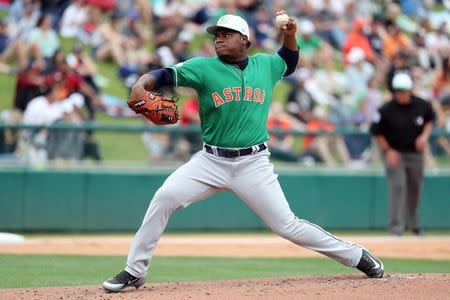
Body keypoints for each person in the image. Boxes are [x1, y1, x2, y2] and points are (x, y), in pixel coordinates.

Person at [103, 12, 384, 293]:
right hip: (210, 161)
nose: (219, 39)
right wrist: (141, 83)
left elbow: (289, 60)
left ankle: (356, 255)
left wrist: (289, 34)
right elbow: (165, 74)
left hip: (253, 164)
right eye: (216, 36)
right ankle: (135, 270)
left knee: (287, 226)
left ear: (245, 40)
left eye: (226, 34)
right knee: (164, 197)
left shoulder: (266, 65)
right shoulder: (203, 68)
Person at [370, 73, 434, 236]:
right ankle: (396, 227)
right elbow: (376, 132)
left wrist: (424, 136)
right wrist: (388, 150)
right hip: (395, 154)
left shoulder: (421, 105)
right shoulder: (386, 109)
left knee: (415, 188)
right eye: (397, 90)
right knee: (397, 187)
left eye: (403, 90)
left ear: (410, 90)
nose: (400, 94)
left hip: (415, 153)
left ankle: (413, 224)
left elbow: (430, 120)